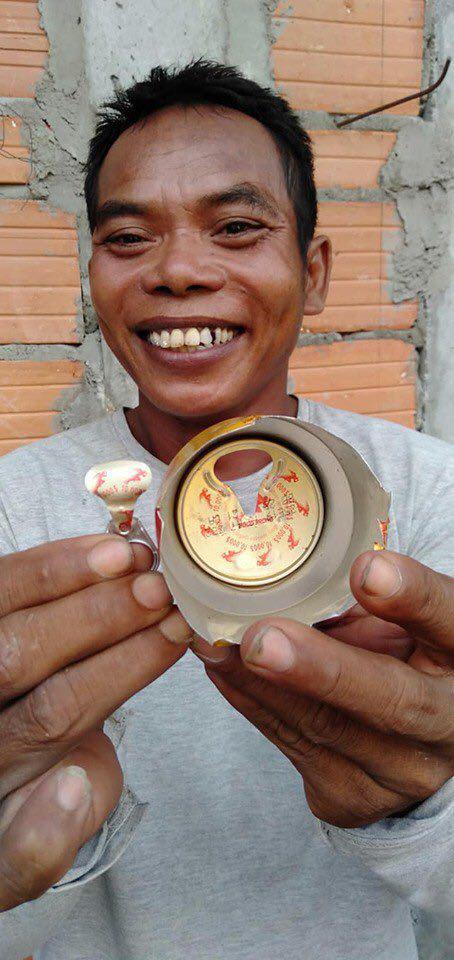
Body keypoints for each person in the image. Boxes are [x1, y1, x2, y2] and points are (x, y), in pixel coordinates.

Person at [0, 60, 453, 960]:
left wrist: (414, 808)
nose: (177, 271)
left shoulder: (428, 493)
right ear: (92, 277)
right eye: (128, 237)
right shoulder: (16, 510)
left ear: (313, 273)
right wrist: (43, 840)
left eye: (237, 227)